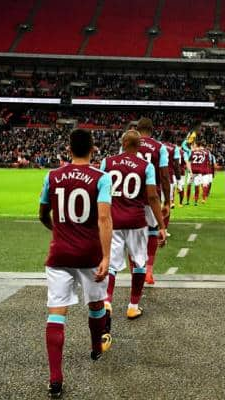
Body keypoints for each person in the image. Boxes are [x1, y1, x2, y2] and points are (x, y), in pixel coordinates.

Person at [38, 128, 113, 398]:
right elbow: (104, 219)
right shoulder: (101, 178)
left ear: (68, 149)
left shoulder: (52, 175)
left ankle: (55, 379)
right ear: (93, 149)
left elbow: (42, 213)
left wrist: (58, 231)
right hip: (89, 253)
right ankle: (95, 348)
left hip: (60, 253)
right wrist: (106, 256)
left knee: (57, 313)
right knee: (95, 305)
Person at [100, 130, 166, 332]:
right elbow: (153, 197)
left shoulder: (107, 162)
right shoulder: (146, 166)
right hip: (137, 221)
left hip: (113, 220)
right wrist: (161, 225)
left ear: (123, 143)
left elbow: (100, 190)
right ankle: (133, 306)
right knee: (139, 262)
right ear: (139, 146)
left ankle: (107, 301)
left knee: (111, 264)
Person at [137, 118, 170, 285]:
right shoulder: (160, 147)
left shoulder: (128, 144)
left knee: (133, 233)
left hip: (131, 195)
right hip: (152, 194)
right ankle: (149, 270)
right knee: (152, 231)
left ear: (137, 129)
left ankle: (137, 271)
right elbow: (164, 175)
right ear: (152, 130)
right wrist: (167, 201)